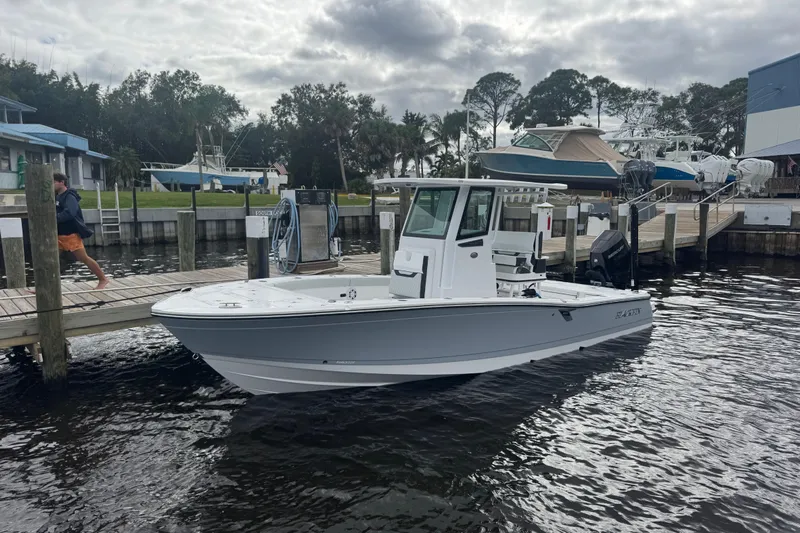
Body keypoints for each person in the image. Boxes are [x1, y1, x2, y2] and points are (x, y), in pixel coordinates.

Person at [54, 172, 108, 289]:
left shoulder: (70, 196)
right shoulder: (56, 196)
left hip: (70, 234)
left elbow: (71, 213)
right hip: (58, 235)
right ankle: (44, 287)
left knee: (83, 258)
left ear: (61, 182)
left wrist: (54, 218)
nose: (52, 185)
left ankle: (103, 279)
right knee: (50, 260)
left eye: (53, 182)